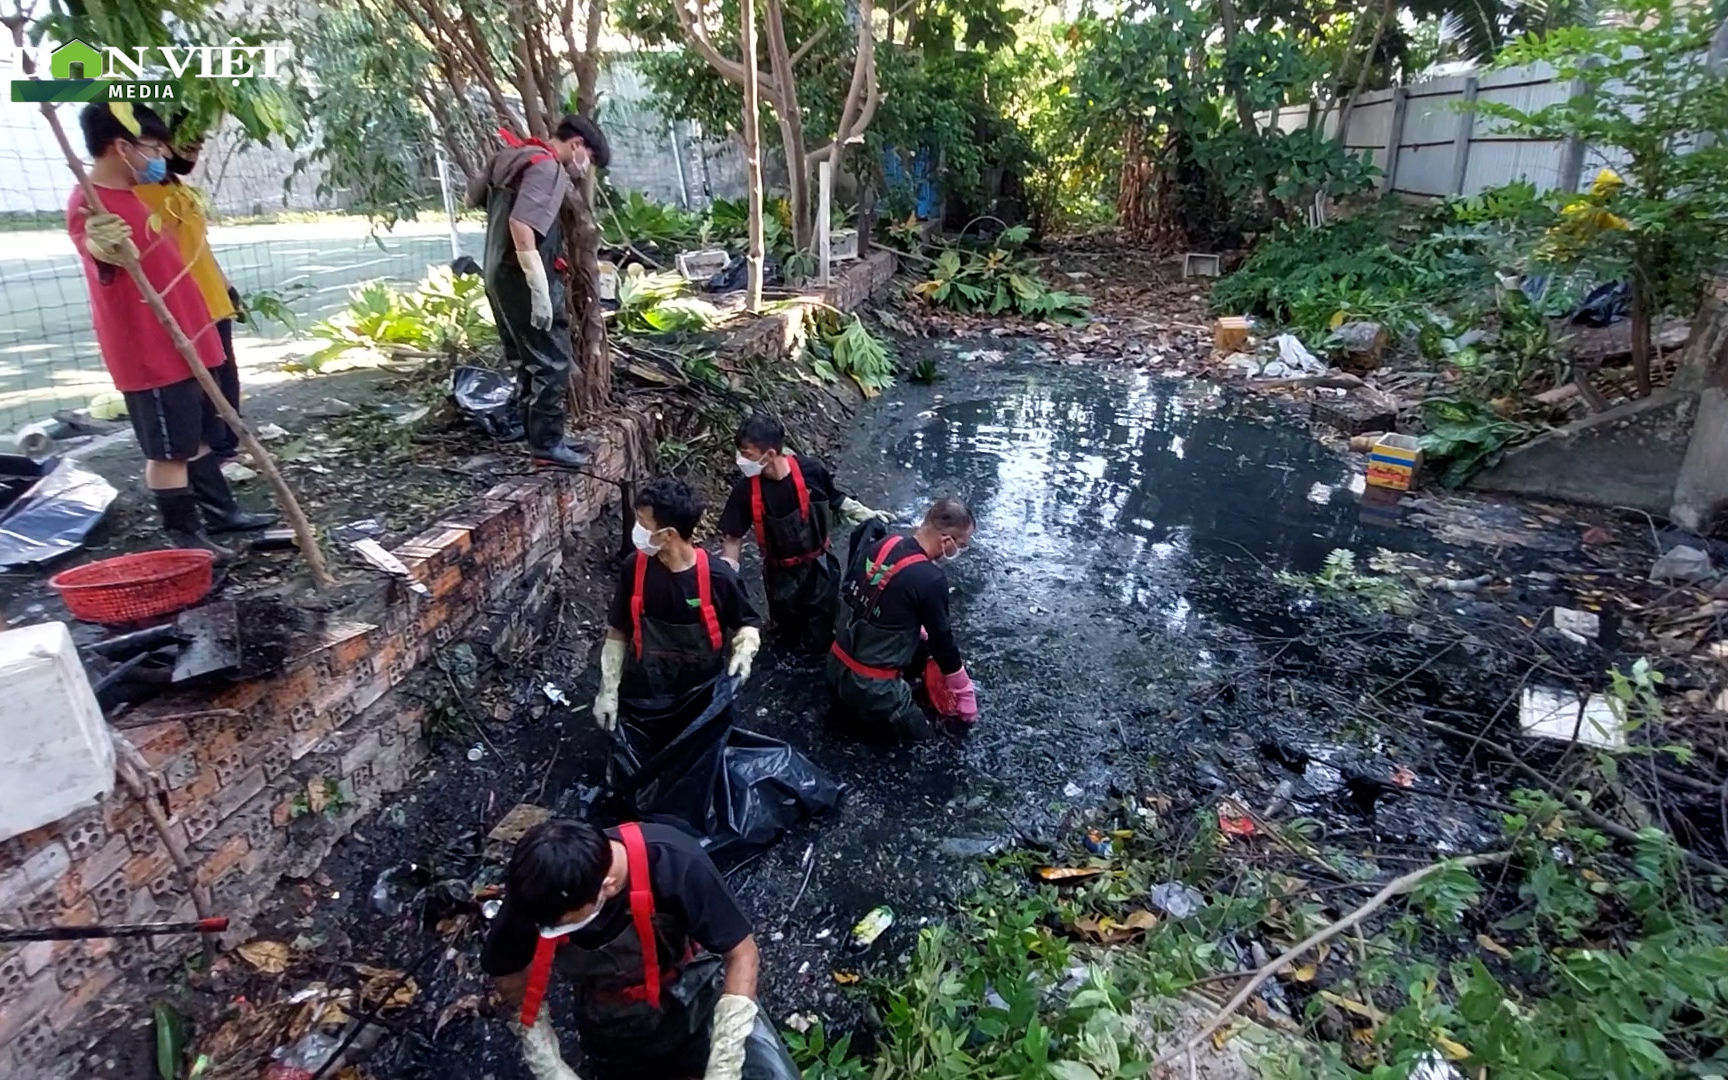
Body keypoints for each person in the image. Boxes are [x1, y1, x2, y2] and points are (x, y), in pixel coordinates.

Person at [66, 103, 252, 563]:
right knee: (169, 451)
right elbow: (97, 250)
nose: (162, 155)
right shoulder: (91, 203)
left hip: (191, 336)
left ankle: (218, 513)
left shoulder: (142, 196)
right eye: (153, 146)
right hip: (151, 349)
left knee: (199, 436)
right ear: (121, 146)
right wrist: (100, 243)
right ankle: (185, 539)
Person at [483, 818, 800, 1080]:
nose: (547, 931)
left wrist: (725, 1064)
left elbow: (742, 954)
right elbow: (506, 970)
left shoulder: (674, 861)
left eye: (562, 926)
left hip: (696, 987)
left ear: (607, 886)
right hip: (610, 1013)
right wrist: (546, 1059)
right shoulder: (541, 891)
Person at [133, 116, 275, 533]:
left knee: (215, 409)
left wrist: (227, 289)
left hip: (211, 308)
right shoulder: (142, 195)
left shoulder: (173, 188)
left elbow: (197, 248)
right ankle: (198, 522)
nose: (191, 152)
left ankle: (219, 512)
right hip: (184, 315)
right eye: (183, 144)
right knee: (186, 422)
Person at [466, 114, 610, 470]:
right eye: (588, 157)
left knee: (525, 357)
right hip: (522, 275)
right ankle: (547, 446)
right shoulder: (547, 169)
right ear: (576, 144)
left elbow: (474, 196)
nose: (586, 165)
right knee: (552, 359)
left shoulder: (513, 155)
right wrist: (538, 285)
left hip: (497, 271)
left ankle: (539, 436)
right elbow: (521, 223)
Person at [594, 477, 762, 745]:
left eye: (642, 523)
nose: (636, 530)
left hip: (701, 698)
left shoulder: (717, 577)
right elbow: (618, 629)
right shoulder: (634, 568)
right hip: (645, 694)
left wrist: (745, 649)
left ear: (668, 534)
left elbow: (747, 622)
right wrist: (608, 690)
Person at [718, 414, 889, 655]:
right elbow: (732, 538)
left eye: (746, 454)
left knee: (821, 638)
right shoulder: (745, 491)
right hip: (779, 575)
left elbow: (836, 500)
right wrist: (729, 572)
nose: (740, 460)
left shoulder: (811, 471)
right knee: (785, 638)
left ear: (769, 455)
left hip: (820, 569)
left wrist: (865, 515)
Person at [827, 497, 980, 739]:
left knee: (920, 646)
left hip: (835, 666)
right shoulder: (930, 579)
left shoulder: (885, 542)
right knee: (933, 742)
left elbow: (865, 593)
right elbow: (943, 643)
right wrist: (963, 690)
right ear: (946, 540)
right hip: (873, 691)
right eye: (961, 545)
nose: (959, 551)